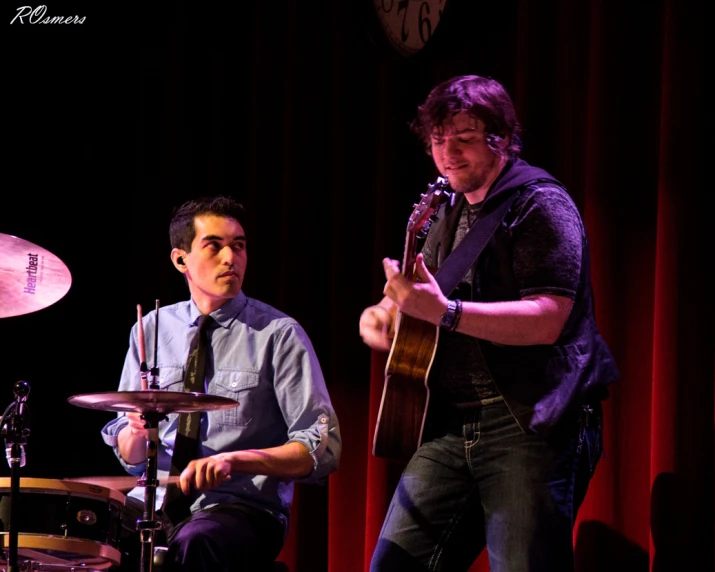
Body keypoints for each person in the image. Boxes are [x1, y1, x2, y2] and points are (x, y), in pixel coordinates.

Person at [359, 74, 619, 572]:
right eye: (438, 140)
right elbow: (419, 299)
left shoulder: (540, 204)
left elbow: (548, 319)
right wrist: (383, 316)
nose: (447, 153)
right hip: (450, 424)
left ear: (501, 138)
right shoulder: (447, 212)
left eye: (464, 138)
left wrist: (447, 314)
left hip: (529, 421)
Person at [102, 195, 341, 571]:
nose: (231, 258)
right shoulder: (150, 328)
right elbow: (131, 456)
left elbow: (321, 448)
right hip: (154, 499)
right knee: (94, 535)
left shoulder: (278, 334)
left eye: (239, 246)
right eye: (214, 246)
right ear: (181, 259)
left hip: (241, 507)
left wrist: (234, 461)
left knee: (198, 540)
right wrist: (134, 434)